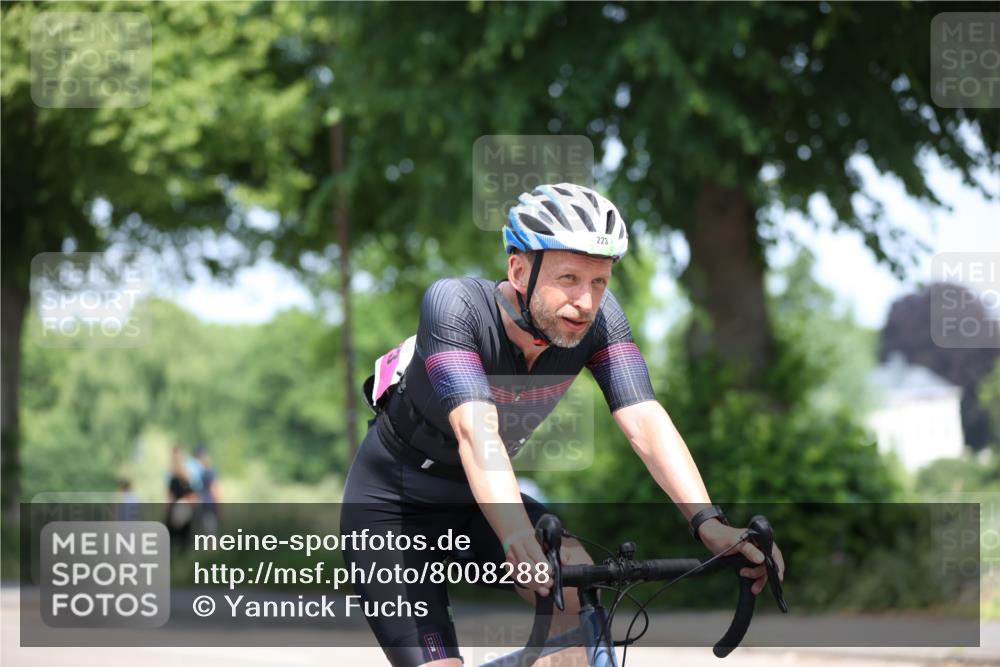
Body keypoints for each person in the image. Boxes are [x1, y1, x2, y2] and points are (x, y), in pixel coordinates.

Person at [340, 183, 785, 667]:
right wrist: (516, 538)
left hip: (482, 501)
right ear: (519, 270)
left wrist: (709, 524)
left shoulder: (599, 323)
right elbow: (476, 432)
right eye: (569, 278)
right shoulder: (456, 308)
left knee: (582, 593)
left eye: (599, 282)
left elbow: (645, 420)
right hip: (392, 513)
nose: (586, 301)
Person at [166, 445, 200, 551]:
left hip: (183, 509)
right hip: (180, 509)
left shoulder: (187, 476)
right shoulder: (173, 478)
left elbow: (193, 495)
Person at [193, 444, 220, 535]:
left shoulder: (196, 471)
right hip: (207, 504)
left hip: (201, 503)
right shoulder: (209, 471)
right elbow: (215, 489)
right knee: (209, 531)